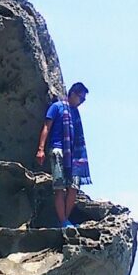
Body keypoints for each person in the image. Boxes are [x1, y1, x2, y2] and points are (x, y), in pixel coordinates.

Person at [36, 82, 92, 228]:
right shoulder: (57, 107)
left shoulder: (75, 113)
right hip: (58, 150)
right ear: (73, 94)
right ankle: (63, 222)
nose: (82, 102)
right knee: (59, 188)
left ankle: (65, 220)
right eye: (82, 98)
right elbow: (46, 127)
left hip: (74, 156)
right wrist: (41, 149)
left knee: (74, 187)